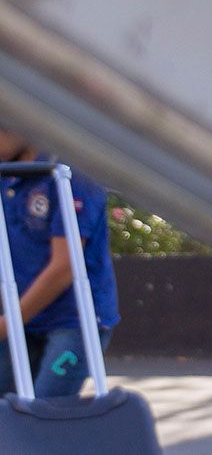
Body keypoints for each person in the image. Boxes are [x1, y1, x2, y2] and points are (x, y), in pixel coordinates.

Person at [0, 127, 120, 399]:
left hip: (73, 319)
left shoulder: (70, 176)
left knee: (47, 412)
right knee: (8, 413)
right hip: (21, 314)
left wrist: (8, 325)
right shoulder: (6, 174)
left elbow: (64, 269)